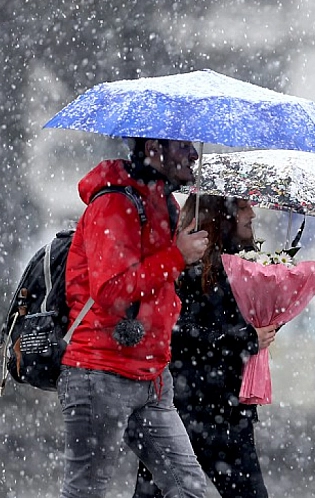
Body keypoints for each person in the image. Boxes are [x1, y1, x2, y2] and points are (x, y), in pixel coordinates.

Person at [59, 138, 210, 498]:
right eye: (182, 146)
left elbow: (158, 285)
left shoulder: (163, 203)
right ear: (154, 147)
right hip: (100, 373)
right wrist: (176, 256)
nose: (193, 154)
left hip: (153, 376)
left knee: (188, 489)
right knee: (87, 491)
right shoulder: (114, 202)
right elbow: (111, 291)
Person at [134, 194, 277, 498]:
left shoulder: (248, 266)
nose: (252, 213)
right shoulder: (185, 265)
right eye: (242, 207)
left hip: (229, 411)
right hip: (182, 407)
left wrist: (270, 319)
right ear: (220, 215)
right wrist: (243, 339)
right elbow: (176, 333)